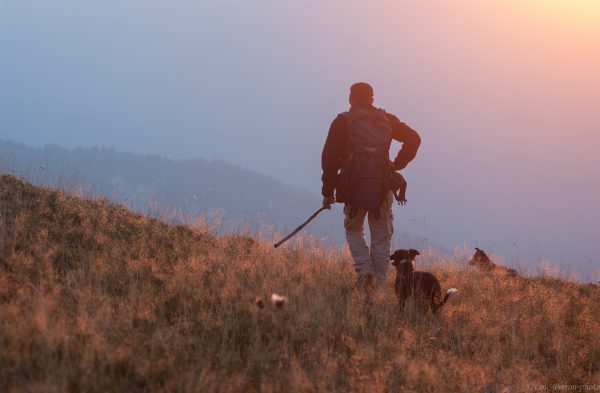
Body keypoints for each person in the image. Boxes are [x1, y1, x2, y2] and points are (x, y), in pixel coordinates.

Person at [321, 82, 421, 290]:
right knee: (381, 238)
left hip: (353, 189)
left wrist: (328, 192)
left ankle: (365, 273)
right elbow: (414, 138)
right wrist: (396, 164)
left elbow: (329, 159)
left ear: (350, 100)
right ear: (372, 99)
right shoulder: (387, 120)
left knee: (354, 230)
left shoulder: (342, 122)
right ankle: (379, 288)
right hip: (382, 188)